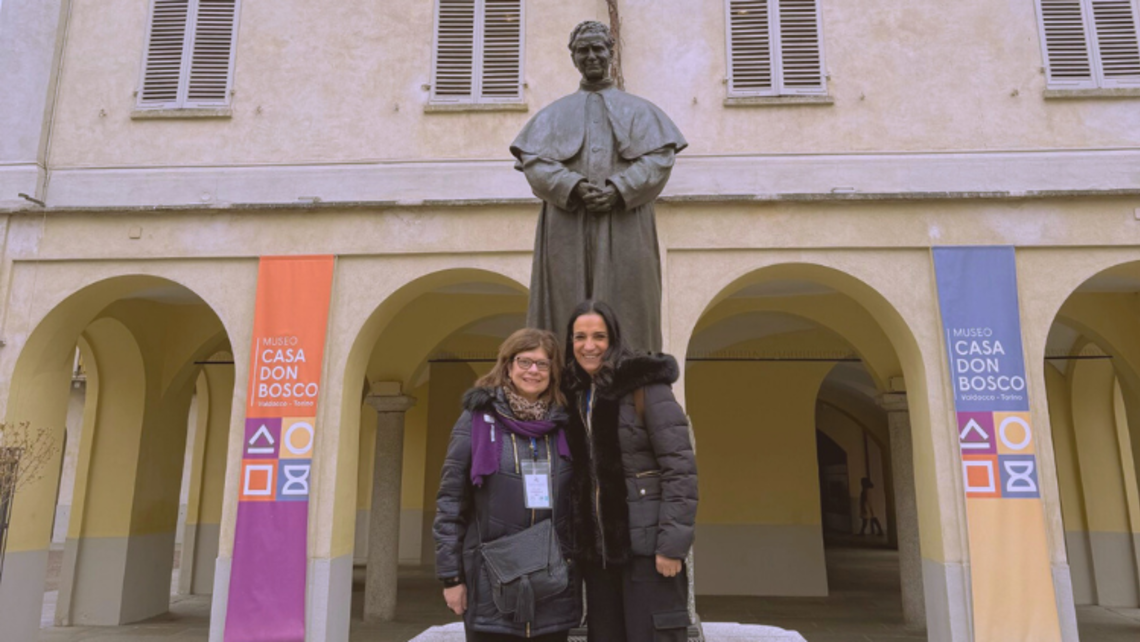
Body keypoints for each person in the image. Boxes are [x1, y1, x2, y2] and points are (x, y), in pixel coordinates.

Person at [511, 21, 687, 354]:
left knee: (630, 302)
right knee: (564, 303)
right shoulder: (551, 116)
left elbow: (659, 159)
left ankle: (633, 379)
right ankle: (562, 382)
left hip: (626, 220)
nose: (591, 56)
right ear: (573, 57)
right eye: (583, 50)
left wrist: (621, 188)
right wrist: (572, 186)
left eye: (598, 49)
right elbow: (534, 163)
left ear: (610, 52)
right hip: (566, 222)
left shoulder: (641, 112)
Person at [561, 300, 698, 642]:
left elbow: (680, 468)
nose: (588, 346)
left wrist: (671, 546)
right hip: (599, 554)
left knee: (654, 636)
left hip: (648, 550)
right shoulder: (575, 394)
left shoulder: (645, 387)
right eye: (579, 337)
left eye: (599, 336)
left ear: (614, 339)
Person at [433, 328, 581, 641]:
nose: (533, 371)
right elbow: (450, 503)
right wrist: (451, 578)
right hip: (490, 583)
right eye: (525, 361)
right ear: (508, 366)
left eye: (543, 364)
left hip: (552, 584)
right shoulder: (476, 421)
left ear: (553, 372)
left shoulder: (565, 425)